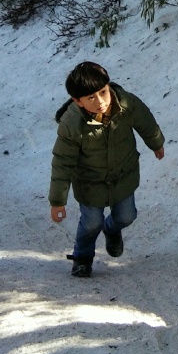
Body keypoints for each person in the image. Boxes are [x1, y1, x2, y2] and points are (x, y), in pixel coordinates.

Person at [48, 60, 165, 277]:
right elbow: (62, 162)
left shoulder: (126, 104)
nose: (100, 101)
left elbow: (146, 122)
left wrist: (156, 143)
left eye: (103, 92)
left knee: (126, 216)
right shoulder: (72, 124)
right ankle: (82, 258)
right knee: (91, 223)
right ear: (78, 101)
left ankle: (111, 230)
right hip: (90, 183)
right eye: (91, 98)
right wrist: (57, 201)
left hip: (123, 174)